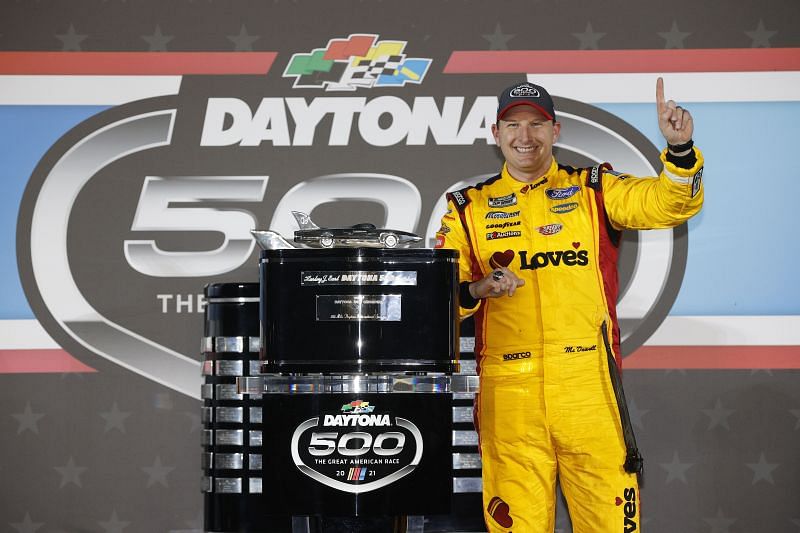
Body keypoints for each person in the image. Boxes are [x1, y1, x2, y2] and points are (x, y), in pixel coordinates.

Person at [435, 78, 703, 532]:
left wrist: (679, 152)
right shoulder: (467, 208)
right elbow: (439, 295)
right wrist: (479, 290)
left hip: (589, 388)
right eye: (513, 125)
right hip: (508, 393)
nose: (525, 136)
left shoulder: (593, 188)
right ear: (495, 133)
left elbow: (667, 205)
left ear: (555, 131)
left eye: (537, 124)